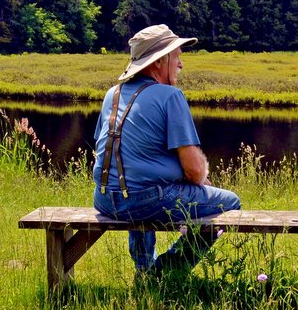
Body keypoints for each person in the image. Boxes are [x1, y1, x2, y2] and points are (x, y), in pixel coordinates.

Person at [92, 24, 241, 277]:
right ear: (159, 62)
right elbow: (194, 171)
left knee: (143, 187)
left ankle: (143, 269)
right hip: (141, 200)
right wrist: (199, 179)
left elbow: (113, 151)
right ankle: (165, 273)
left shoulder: (112, 94)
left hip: (104, 198)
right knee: (230, 202)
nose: (181, 64)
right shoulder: (170, 96)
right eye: (177, 56)